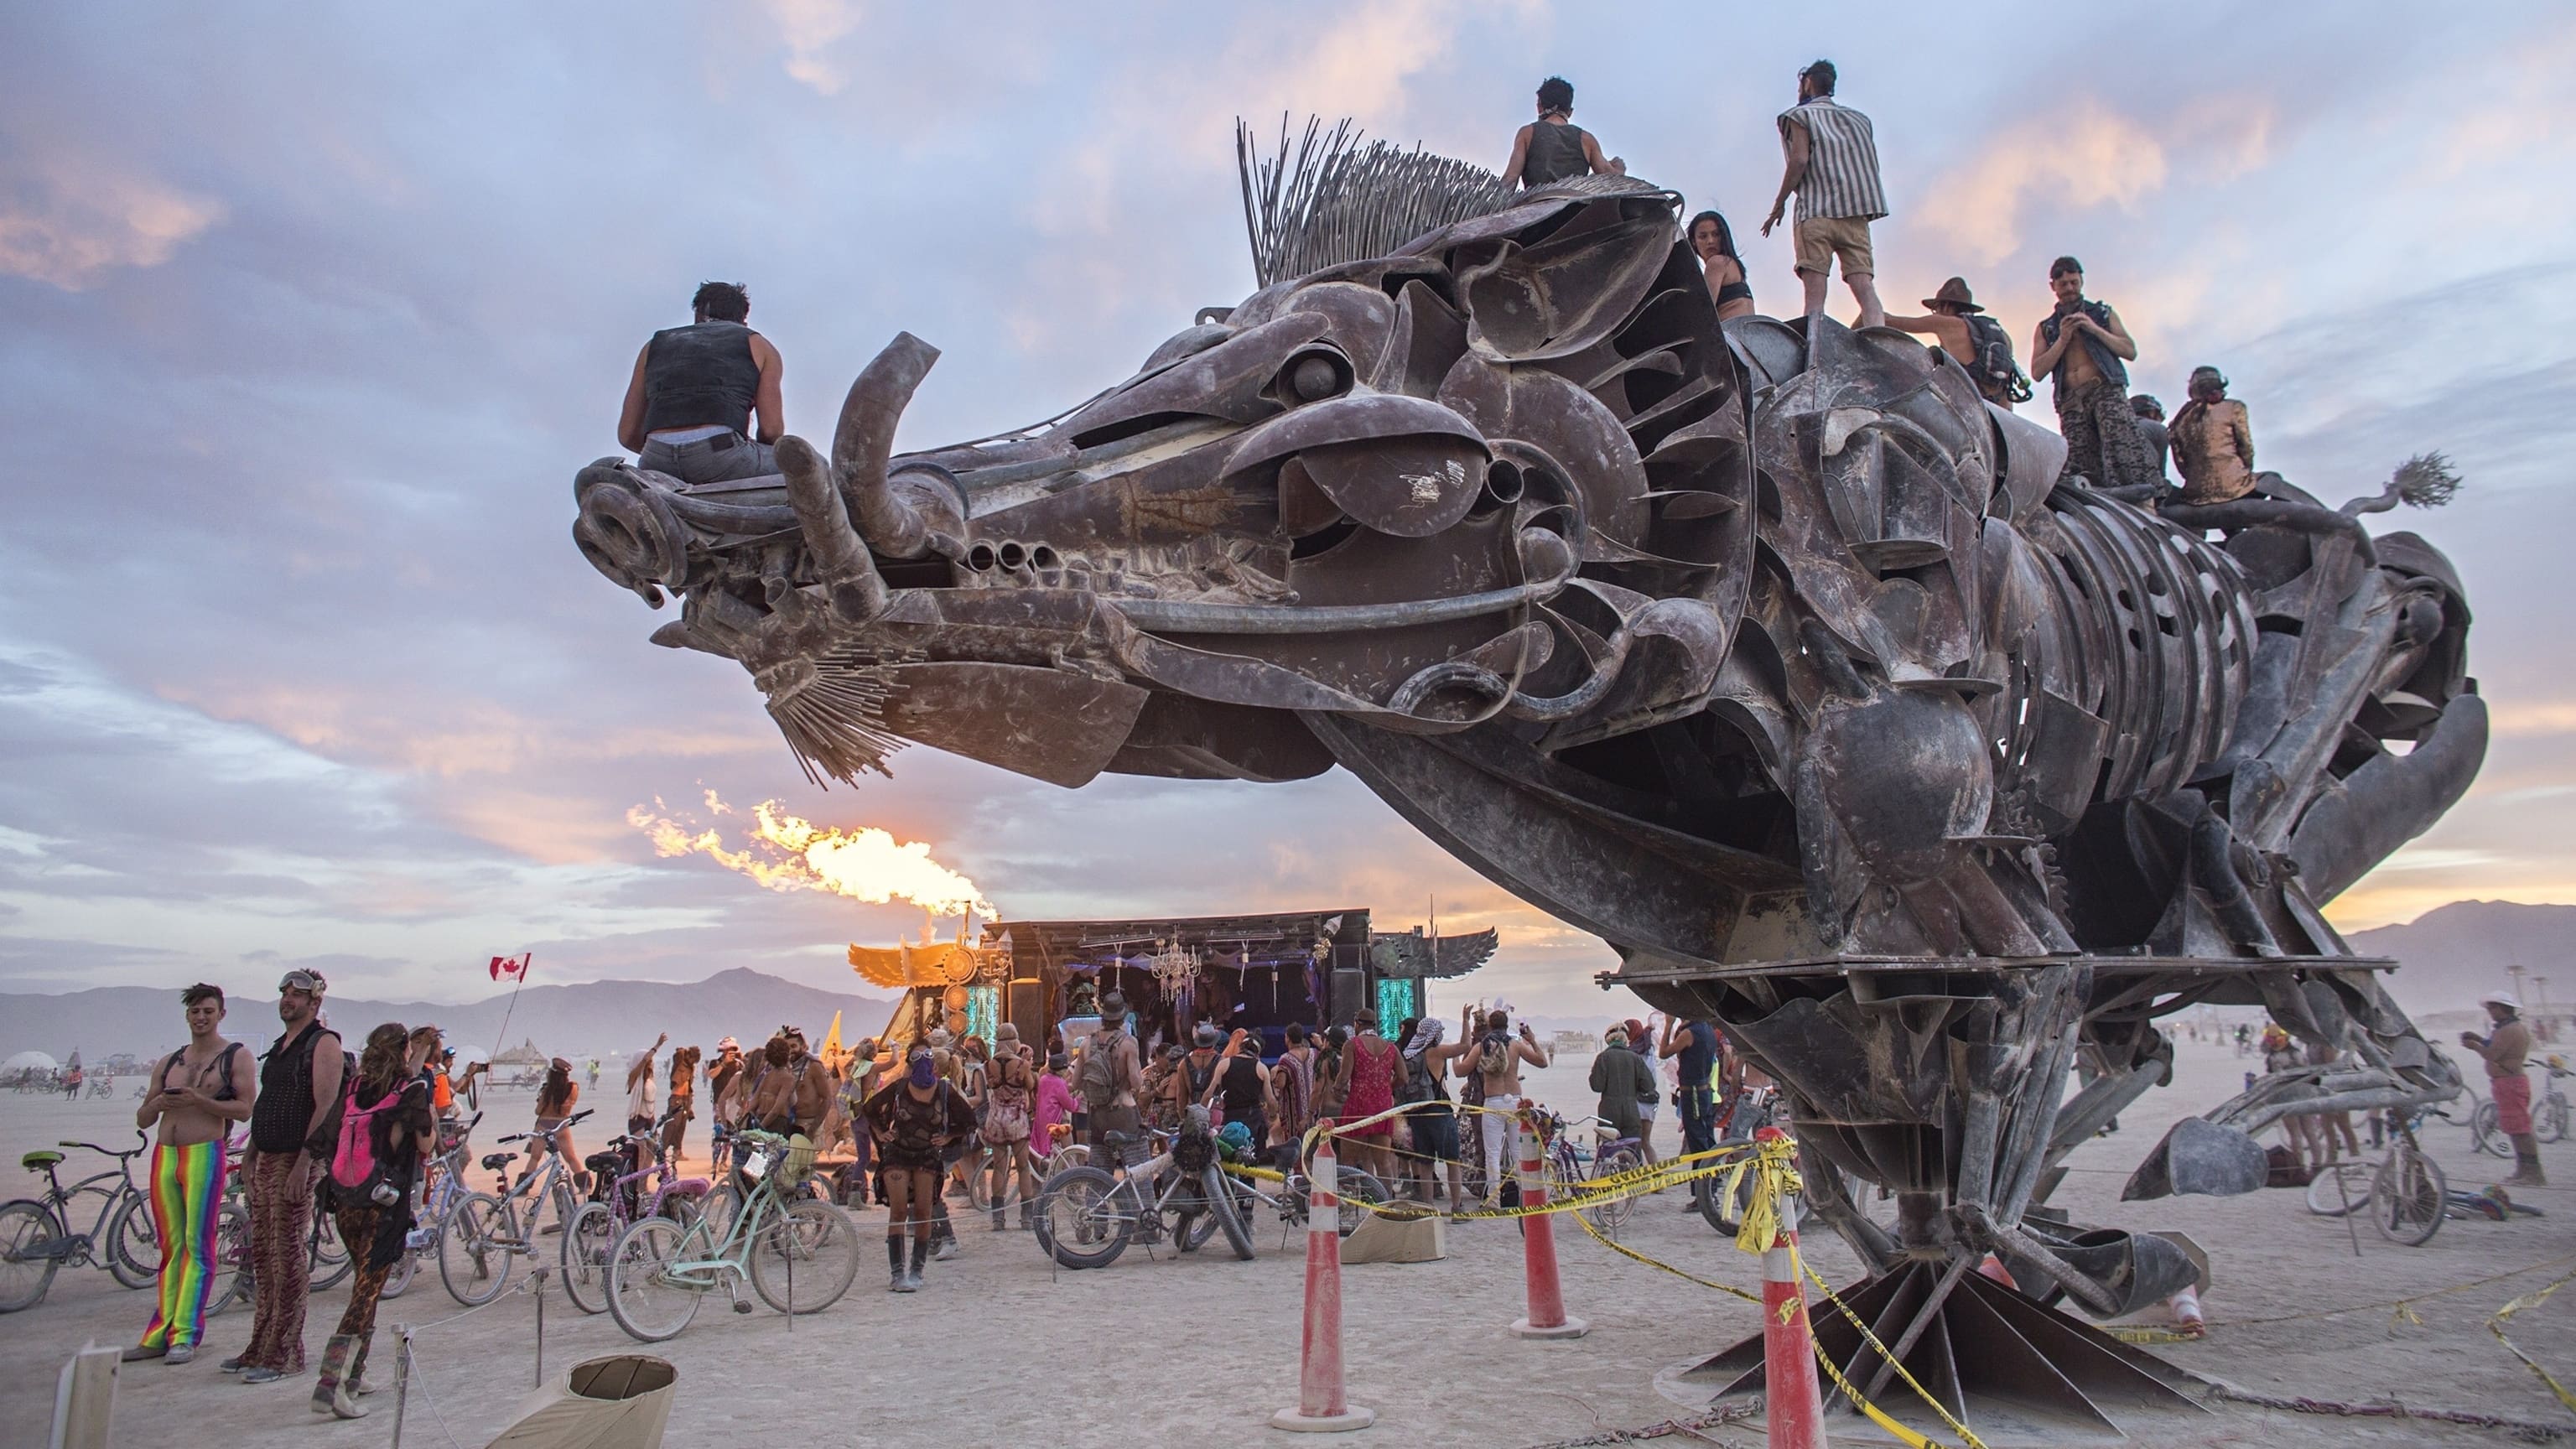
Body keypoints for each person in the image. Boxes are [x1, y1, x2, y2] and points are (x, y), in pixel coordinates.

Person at [127, 983, 253, 1367]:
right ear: (187, 1015)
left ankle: (185, 1334)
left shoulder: (235, 1056)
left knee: (197, 1246)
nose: (201, 1017)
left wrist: (200, 1100)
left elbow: (245, 1109)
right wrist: (160, 1102)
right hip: (165, 1154)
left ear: (221, 1014)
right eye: (196, 1011)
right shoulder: (170, 1062)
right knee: (170, 1247)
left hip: (203, 1154)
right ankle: (158, 1332)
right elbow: (143, 1118)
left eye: (208, 1011)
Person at [312, 1023, 434, 1419]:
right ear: (402, 1051)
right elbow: (427, 1143)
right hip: (385, 1202)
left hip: (346, 1198)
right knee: (364, 1293)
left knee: (368, 1286)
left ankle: (353, 1374)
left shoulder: (354, 1088)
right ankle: (330, 1384)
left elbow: (327, 1135)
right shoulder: (411, 1091)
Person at [231, 969, 343, 1384]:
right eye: (284, 994)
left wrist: (304, 1161)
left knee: (287, 1251)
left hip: (297, 1159)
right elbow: (268, 1104)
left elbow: (327, 1104)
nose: (287, 1001)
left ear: (314, 1003)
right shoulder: (281, 1047)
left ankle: (286, 1352)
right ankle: (259, 1345)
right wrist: (252, 1151)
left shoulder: (323, 1043)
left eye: (296, 995)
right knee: (262, 1252)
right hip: (267, 1157)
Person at [614, 281, 786, 485]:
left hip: (656, 459)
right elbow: (771, 430)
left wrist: (666, 451)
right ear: (743, 319)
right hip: (722, 456)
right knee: (812, 466)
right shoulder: (759, 345)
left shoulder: (653, 346)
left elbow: (627, 434)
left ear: (697, 315)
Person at [1762, 60, 1888, 329]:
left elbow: (1799, 161)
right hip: (1856, 212)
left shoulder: (1800, 115)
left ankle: (1814, 352)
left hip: (1815, 212)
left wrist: (1779, 204)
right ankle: (1880, 342)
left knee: (1815, 296)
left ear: (1807, 83)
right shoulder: (1860, 120)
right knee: (1865, 289)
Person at [2029, 257, 2155, 491]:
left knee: (2125, 455)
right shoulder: (2046, 327)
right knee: (2081, 467)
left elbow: (2129, 351)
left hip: (2106, 392)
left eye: (2074, 282)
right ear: (2053, 287)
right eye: (2063, 284)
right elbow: (2037, 371)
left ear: (2081, 281)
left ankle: (2143, 504)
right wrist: (2063, 339)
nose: (2069, 289)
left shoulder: (2102, 314)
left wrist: (2093, 328)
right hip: (2071, 402)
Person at [863, 1046, 978, 1291]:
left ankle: (916, 1269)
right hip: (898, 1153)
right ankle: (897, 1273)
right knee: (899, 1211)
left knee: (924, 1211)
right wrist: (883, 1133)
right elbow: (871, 1108)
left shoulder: (944, 1090)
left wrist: (949, 1137)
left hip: (927, 1155)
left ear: (935, 1067)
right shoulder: (901, 1088)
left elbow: (968, 1119)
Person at [1887, 278, 2028, 407]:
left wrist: (1867, 312)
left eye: (1936, 309)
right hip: (1997, 406)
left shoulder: (1945, 323)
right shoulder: (2002, 335)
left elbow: (1894, 323)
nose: (1935, 313)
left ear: (1946, 306)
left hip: (1967, 402)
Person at [1461, 1008, 1550, 1208]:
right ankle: (1526, 1197)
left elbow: (1460, 1071)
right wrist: (1533, 1040)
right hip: (1514, 1102)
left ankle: (1493, 1199)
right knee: (1518, 1152)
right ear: (1506, 1024)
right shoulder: (1516, 1045)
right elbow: (1542, 1062)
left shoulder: (1481, 1046)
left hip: (1492, 1102)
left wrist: (1455, 1056)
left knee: (1492, 1154)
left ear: (1490, 1025)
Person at [2464, 994, 2545, 1186]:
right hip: (2506, 1082)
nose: (2490, 1012)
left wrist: (2474, 1046)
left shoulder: (2509, 1030)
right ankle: (2523, 1169)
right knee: (2514, 1128)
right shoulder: (2508, 1028)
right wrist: (2480, 1040)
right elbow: (2497, 1048)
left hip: (2510, 1082)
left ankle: (2534, 1173)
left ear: (2503, 1008)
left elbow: (2492, 1054)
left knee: (2521, 1129)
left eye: (2493, 1008)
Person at [1501, 75, 1623, 190]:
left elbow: (1510, 179)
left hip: (1536, 208)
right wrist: (1619, 168)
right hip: (1575, 210)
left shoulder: (1527, 133)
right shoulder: (1587, 139)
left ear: (1539, 106)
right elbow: (1610, 178)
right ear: (1570, 112)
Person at [1395, 1018, 1467, 1208]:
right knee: (1453, 1161)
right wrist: (1466, 1020)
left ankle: (1428, 1207)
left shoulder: (1410, 1054)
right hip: (1438, 1111)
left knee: (1425, 1163)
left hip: (1417, 1113)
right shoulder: (1436, 1051)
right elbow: (1465, 1045)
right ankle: (1457, 1206)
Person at [2167, 366, 2257, 504]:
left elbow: (2180, 463)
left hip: (2195, 493)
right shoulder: (2234, 407)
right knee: (2272, 478)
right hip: (2234, 485)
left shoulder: (2179, 420)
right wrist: (2245, 470)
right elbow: (2245, 446)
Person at [1332, 1011, 1402, 1183]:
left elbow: (1344, 1076)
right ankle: (1386, 1201)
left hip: (1358, 1106)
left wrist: (1336, 1089)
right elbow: (1404, 1077)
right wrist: (1386, 1089)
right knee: (1383, 1161)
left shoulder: (1352, 1045)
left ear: (1357, 1024)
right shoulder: (1391, 1047)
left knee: (1349, 1160)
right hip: (1383, 1108)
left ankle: (1351, 1202)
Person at [1078, 990, 1145, 1166]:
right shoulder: (1128, 1043)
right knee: (1138, 1167)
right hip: (1123, 1110)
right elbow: (1137, 1083)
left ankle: (1098, 1193)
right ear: (1122, 1017)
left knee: (1099, 1172)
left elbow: (1077, 1082)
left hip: (1097, 1113)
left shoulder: (1086, 1043)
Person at [982, 1026, 1039, 1229]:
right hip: (1016, 1118)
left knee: (999, 1167)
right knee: (1023, 1167)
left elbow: (992, 1087)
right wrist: (1028, 1064)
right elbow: (1030, 1086)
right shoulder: (1021, 1064)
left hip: (996, 1118)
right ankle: (1026, 1217)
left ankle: (998, 1218)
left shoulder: (989, 1064)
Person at [1659, 1013, 1724, 1164]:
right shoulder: (1707, 1029)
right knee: (1707, 1137)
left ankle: (1701, 1183)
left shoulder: (1689, 1033)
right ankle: (1710, 1182)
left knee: (1697, 1142)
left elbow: (1664, 1053)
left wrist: (1668, 1025)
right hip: (1705, 1090)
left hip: (1693, 1091)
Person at [1590, 1025, 1655, 1156]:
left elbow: (1597, 1086)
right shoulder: (1635, 1058)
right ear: (1626, 1039)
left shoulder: (1603, 1057)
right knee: (1632, 1151)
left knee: (1607, 1151)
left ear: (1608, 1039)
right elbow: (1648, 1085)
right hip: (1631, 1110)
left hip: (1608, 1111)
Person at [1205, 1029, 1270, 1160]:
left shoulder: (1224, 1064)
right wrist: (1272, 1117)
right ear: (1258, 1051)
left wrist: (1201, 1112)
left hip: (1230, 1119)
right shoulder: (1261, 1068)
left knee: (1229, 1157)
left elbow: (1209, 1093)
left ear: (1241, 1046)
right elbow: (1271, 1100)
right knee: (1250, 1160)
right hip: (1253, 1120)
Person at [1267, 1024, 1319, 1176]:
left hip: (1293, 1114)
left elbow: (1281, 1083)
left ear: (1288, 1038)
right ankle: (1311, 1181)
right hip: (1313, 1110)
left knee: (1295, 1148)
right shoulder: (1314, 1054)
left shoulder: (1286, 1059)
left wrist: (1275, 1079)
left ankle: (1298, 1181)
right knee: (1311, 1149)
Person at [1685, 210, 1757, 322]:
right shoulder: (1734, 266)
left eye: (1716, 235)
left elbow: (1703, 311)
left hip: (1729, 335)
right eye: (1703, 237)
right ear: (1694, 242)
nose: (1710, 241)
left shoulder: (1717, 262)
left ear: (1724, 237)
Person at [527, 1057, 584, 1193]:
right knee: (571, 1157)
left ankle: (524, 1186)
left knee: (535, 1157)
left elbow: (538, 1111)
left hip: (544, 1125)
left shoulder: (548, 1090)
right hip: (562, 1125)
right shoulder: (573, 1088)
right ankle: (583, 1185)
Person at [1032, 1051, 1078, 1171]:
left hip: (1042, 1122)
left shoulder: (1044, 1079)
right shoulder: (1059, 1083)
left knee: (1048, 1154)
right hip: (1057, 1122)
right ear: (1062, 1070)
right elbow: (1070, 1105)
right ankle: (1072, 1178)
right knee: (1070, 1153)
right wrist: (1079, 1097)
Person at [625, 1033, 665, 1167]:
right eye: (649, 1061)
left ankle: (643, 1182)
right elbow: (642, 1063)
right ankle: (635, 1183)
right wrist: (657, 1046)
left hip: (650, 1118)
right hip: (638, 1118)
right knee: (640, 1151)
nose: (651, 1063)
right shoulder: (635, 1079)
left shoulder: (650, 1079)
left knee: (652, 1151)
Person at [661, 1046, 699, 1165]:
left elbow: (689, 1083)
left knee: (681, 1127)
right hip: (676, 1098)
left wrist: (690, 1103)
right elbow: (678, 1055)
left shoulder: (691, 1068)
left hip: (686, 1098)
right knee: (671, 1125)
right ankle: (661, 1150)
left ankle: (677, 1151)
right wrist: (683, 1051)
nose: (693, 1062)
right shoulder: (680, 1062)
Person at [2130, 395, 2173, 482]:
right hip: (2144, 484)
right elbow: (2160, 469)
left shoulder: (2114, 428)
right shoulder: (2158, 428)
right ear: (2152, 412)